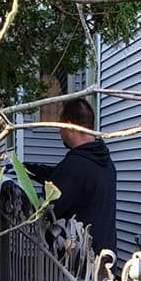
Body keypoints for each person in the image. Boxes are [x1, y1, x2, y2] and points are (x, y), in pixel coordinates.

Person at [28, 96, 117, 256]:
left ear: (68, 126)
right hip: (103, 262)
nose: (59, 132)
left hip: (78, 265)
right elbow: (59, 176)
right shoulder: (105, 162)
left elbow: (45, 210)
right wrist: (25, 169)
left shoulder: (75, 166)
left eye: (59, 126)